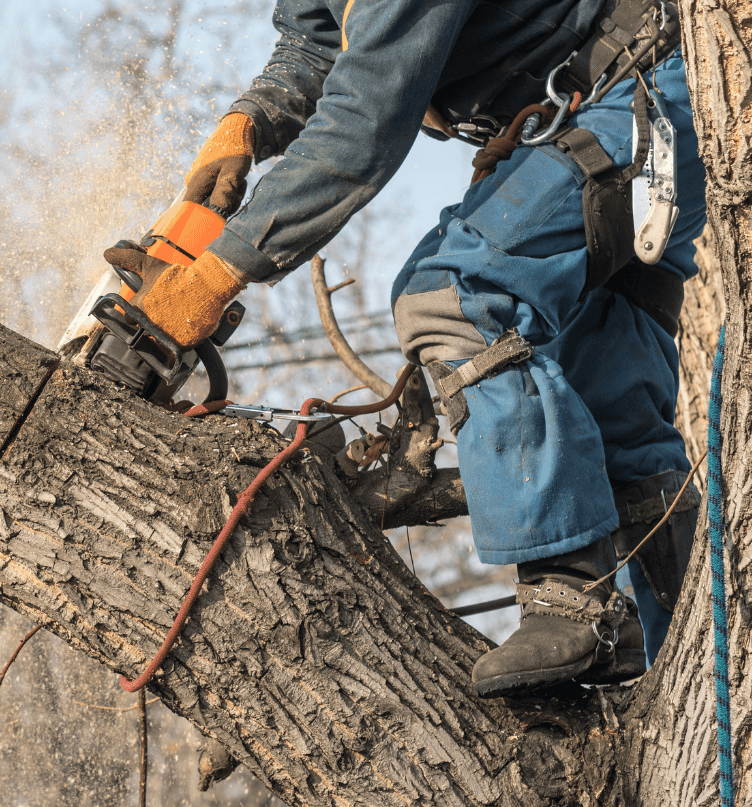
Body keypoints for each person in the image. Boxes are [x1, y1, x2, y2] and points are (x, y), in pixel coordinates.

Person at [104, 0, 703, 697]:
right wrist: (253, 120)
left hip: (648, 101)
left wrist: (213, 276)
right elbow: (315, 42)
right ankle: (693, 669)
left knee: (452, 292)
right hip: (606, 111)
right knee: (604, 398)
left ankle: (570, 596)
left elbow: (364, 125)